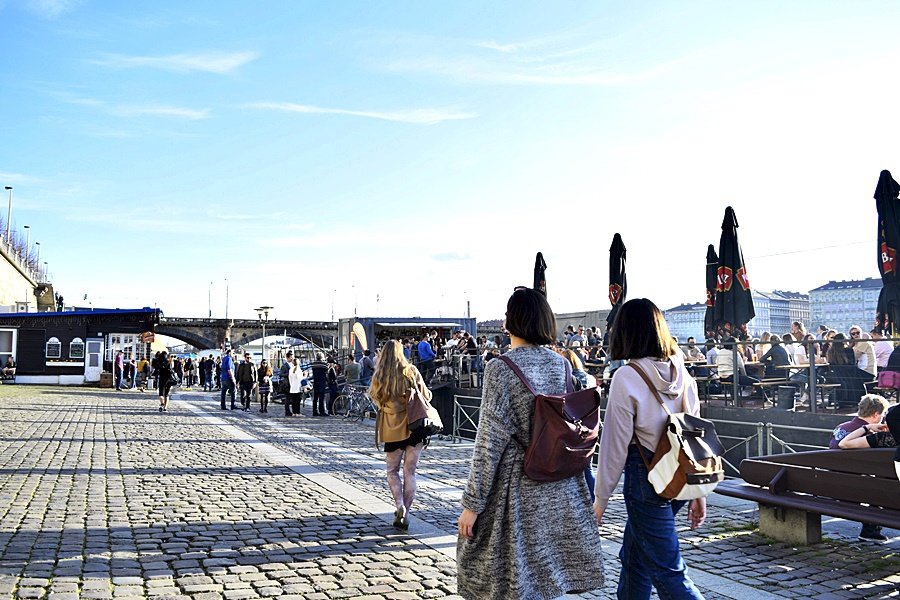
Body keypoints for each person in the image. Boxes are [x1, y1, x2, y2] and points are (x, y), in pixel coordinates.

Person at [457, 288, 604, 599]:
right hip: (556, 482)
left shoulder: (500, 368)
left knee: (511, 575)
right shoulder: (560, 364)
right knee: (546, 571)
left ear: (510, 323)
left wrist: (472, 504)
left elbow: (489, 442)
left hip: (517, 488)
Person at [594, 298, 705, 599]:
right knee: (634, 559)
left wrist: (600, 498)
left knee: (669, 572)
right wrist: (697, 492)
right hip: (679, 476)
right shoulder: (683, 374)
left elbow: (614, 444)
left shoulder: (626, 377)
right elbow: (694, 433)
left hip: (646, 479)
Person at [369, 340, 431, 530]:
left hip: (391, 428)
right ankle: (407, 513)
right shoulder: (410, 371)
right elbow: (426, 396)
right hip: (414, 426)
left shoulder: (380, 375)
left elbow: (374, 398)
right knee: (410, 472)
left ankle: (399, 506)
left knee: (392, 471)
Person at [833, 395, 897, 541]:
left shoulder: (840, 427)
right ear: (876, 415)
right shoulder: (873, 436)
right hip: (857, 490)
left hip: (833, 485)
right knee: (880, 485)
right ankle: (870, 530)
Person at [310, 352, 328, 416]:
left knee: (315, 398)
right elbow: (326, 371)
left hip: (315, 381)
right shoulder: (324, 364)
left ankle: (314, 411)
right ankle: (322, 411)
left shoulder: (313, 364)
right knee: (321, 398)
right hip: (322, 382)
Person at [280, 351, 294, 416]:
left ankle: (294, 411)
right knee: (287, 398)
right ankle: (287, 411)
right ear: (288, 358)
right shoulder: (284, 366)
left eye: (292, 357)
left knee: (293, 398)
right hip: (287, 384)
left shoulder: (293, 365)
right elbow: (281, 374)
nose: (292, 358)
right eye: (291, 357)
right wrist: (288, 374)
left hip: (293, 383)